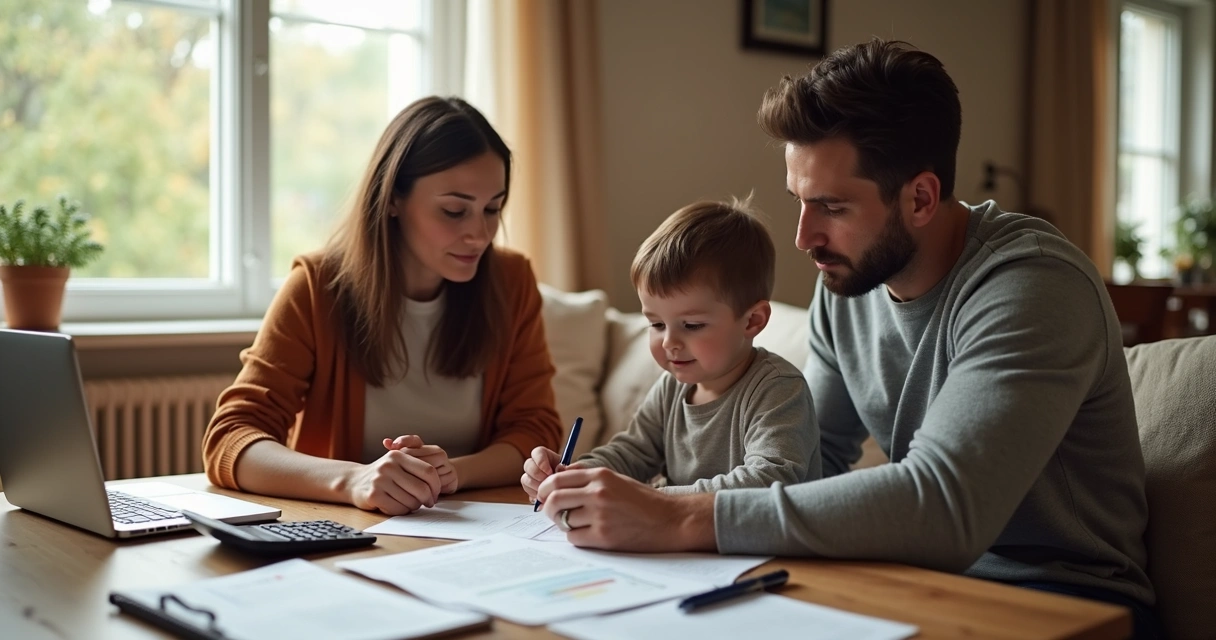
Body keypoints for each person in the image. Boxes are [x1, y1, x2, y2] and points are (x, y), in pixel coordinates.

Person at [536, 40, 1159, 637]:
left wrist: (674, 515)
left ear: (920, 197)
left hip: (1063, 601)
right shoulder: (847, 287)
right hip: (907, 583)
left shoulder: (1033, 286)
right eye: (799, 201)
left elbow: (946, 507)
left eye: (832, 207)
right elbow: (812, 465)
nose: (803, 237)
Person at [203, 96, 562, 515]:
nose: (480, 234)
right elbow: (231, 437)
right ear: (392, 199)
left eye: (492, 209)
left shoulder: (512, 282)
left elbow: (535, 430)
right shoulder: (318, 288)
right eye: (454, 211)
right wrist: (354, 480)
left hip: (472, 527)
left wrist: (451, 473)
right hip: (348, 528)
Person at [521, 199, 820, 507]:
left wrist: (649, 499)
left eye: (691, 325)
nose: (668, 342)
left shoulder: (778, 390)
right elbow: (631, 452)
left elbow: (769, 481)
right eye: (656, 324)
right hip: (681, 534)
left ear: (752, 321)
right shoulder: (671, 388)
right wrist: (576, 475)